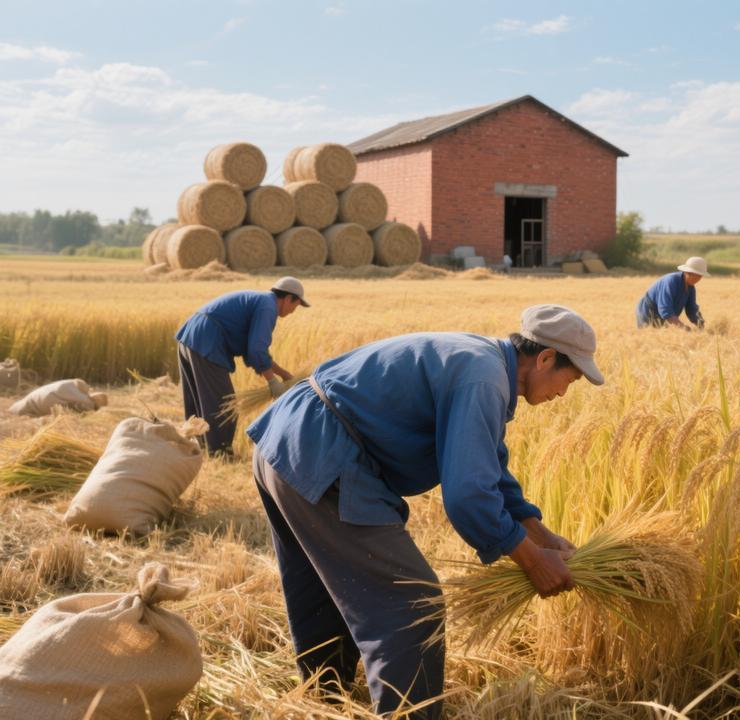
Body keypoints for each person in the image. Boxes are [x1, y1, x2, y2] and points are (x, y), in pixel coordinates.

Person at [247, 304, 603, 719]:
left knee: (326, 586)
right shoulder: (483, 378)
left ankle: (322, 702)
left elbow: (489, 470)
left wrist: (544, 538)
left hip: (287, 443)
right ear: (544, 358)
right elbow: (469, 494)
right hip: (324, 454)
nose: (564, 393)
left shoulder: (483, 361)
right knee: (412, 603)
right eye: (570, 379)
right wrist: (530, 560)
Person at [175, 277, 306, 456]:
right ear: (288, 298)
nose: (293, 311)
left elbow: (253, 350)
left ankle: (197, 447)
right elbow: (257, 349)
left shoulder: (261, 301)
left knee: (199, 401)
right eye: (296, 305)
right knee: (223, 406)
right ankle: (220, 452)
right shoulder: (268, 307)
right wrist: (272, 382)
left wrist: (283, 374)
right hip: (208, 340)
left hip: (191, 336)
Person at [636, 257, 708, 330]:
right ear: (688, 273)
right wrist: (682, 327)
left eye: (700, 276)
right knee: (650, 336)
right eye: (698, 276)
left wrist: (701, 325)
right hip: (648, 312)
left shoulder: (691, 288)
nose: (699, 279)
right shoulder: (671, 281)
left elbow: (691, 309)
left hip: (663, 316)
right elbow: (665, 309)